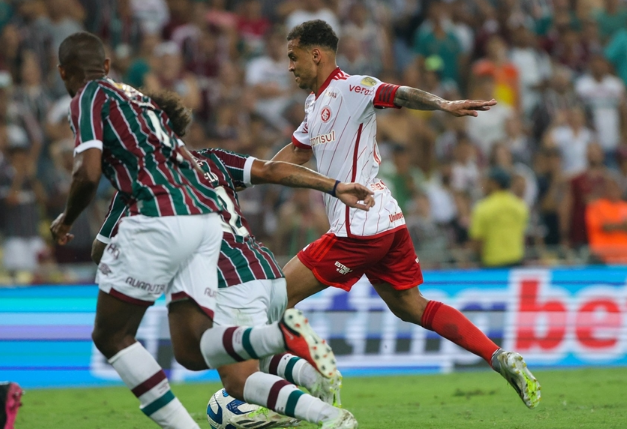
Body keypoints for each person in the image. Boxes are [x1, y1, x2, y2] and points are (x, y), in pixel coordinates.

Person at [49, 31, 350, 429]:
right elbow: (271, 170)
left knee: (125, 340)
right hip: (236, 247)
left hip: (201, 254)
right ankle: (296, 359)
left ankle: (296, 371)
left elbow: (92, 199)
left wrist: (73, 224)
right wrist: (333, 185)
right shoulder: (196, 152)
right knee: (193, 352)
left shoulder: (110, 129)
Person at [272, 19, 541, 409]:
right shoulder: (314, 104)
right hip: (387, 222)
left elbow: (397, 93)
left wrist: (443, 104)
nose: (290, 66)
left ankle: (310, 381)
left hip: (358, 227)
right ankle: (499, 356)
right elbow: (293, 156)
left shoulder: (351, 87)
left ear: (317, 55)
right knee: (410, 306)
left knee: (274, 300)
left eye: (294, 57)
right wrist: (245, 176)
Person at [89, 89, 373, 429]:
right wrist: (334, 186)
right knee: (255, 356)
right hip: (267, 271)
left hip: (229, 279)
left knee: (237, 380)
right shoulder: (213, 160)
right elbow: (271, 170)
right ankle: (314, 377)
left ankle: (328, 414)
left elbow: (100, 248)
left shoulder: (139, 180)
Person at [469, 168, 529, 267]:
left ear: (494, 183)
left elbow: (477, 240)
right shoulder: (520, 206)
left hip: (492, 263)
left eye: (487, 182)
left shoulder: (483, 208)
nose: (484, 185)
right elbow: (522, 235)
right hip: (516, 260)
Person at [585, 174, 627, 264]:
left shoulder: (625, 206)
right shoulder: (596, 206)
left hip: (624, 258)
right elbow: (604, 227)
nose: (613, 189)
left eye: (615, 186)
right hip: (602, 258)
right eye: (609, 187)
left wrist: (614, 225)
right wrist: (622, 226)